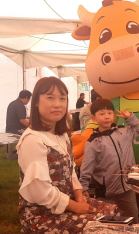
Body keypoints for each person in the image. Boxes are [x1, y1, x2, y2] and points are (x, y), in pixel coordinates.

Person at [17, 77, 119, 233]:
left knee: (115, 213)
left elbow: (70, 170)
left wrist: (78, 194)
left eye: (62, 98)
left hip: (69, 201)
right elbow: (40, 192)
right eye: (50, 97)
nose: (58, 104)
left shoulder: (62, 135)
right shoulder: (32, 139)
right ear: (36, 102)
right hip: (43, 214)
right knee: (106, 228)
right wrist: (75, 206)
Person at [80, 99, 139, 224]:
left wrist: (130, 117)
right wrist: (83, 188)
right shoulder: (93, 142)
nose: (106, 117)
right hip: (106, 192)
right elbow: (86, 167)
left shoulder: (124, 131)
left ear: (114, 115)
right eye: (102, 114)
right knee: (108, 222)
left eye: (109, 113)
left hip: (127, 188)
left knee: (133, 218)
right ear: (94, 118)